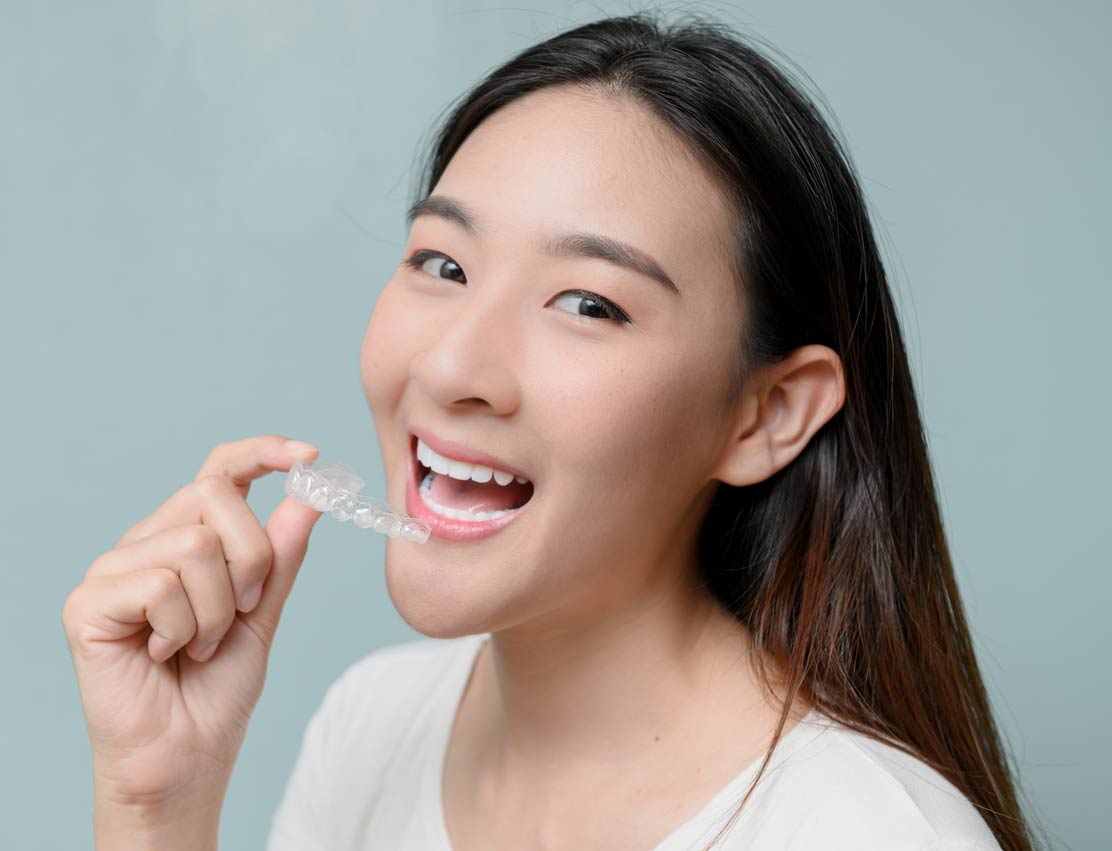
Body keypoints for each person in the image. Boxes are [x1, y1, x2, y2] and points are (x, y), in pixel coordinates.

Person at [61, 12, 1040, 851]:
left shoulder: (868, 831)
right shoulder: (370, 724)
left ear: (765, 415)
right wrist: (157, 804)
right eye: (441, 264)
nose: (449, 368)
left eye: (585, 302)